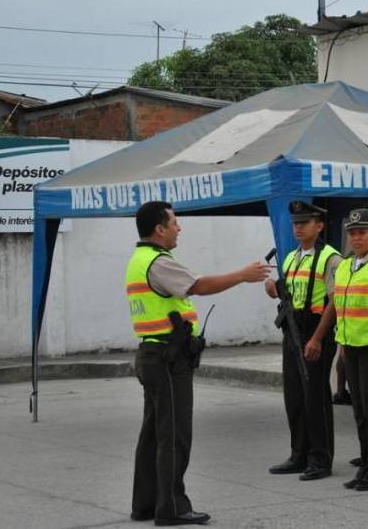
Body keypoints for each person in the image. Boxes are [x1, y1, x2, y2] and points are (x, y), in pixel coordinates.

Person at [126, 201, 270, 526]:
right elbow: (199, 285)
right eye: (175, 222)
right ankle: (173, 508)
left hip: (154, 355)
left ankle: (146, 504)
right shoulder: (158, 261)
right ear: (160, 229)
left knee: (153, 434)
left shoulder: (140, 259)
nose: (180, 228)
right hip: (167, 359)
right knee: (175, 435)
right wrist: (242, 275)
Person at [305, 208, 368, 491]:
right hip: (351, 345)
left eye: (362, 232)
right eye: (352, 233)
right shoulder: (347, 266)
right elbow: (335, 305)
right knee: (361, 411)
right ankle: (367, 466)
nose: (357, 237)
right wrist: (318, 337)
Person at [265, 201, 342, 481]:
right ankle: (299, 454)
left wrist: (318, 339)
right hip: (293, 330)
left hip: (316, 330)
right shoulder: (291, 257)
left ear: (319, 226)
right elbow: (291, 293)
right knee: (295, 397)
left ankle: (320, 458)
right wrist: (273, 290)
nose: (298, 228)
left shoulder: (331, 258)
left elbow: (334, 303)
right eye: (295, 223)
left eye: (304, 223)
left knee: (316, 398)